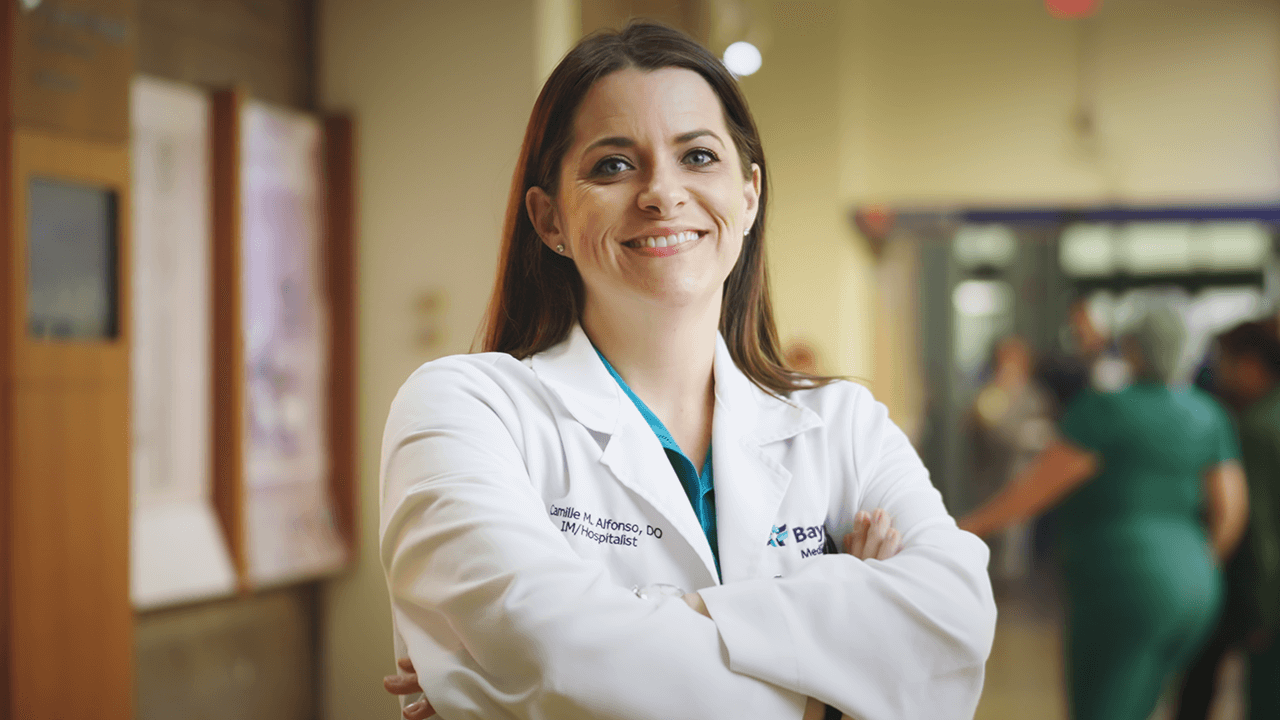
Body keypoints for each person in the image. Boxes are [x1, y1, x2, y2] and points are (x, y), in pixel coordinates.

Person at [379, 21, 995, 720]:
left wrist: (593, 648)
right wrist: (837, 674)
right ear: (548, 219)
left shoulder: (842, 423)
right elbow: (555, 658)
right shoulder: (464, 407)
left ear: (750, 195)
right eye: (613, 165)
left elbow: (954, 624)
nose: (661, 194)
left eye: (698, 156)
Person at [959, 304, 1248, 720]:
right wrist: (1196, 564)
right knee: (1144, 699)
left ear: (1131, 349)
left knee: (1105, 706)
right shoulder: (1209, 415)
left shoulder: (1106, 411)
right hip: (1195, 586)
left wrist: (970, 525)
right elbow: (1230, 510)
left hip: (1123, 584)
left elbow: (1035, 490)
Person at [1175, 320, 1280, 720]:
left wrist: (1261, 612)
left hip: (1259, 595)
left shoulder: (1255, 428)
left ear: (1253, 365)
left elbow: (1261, 529)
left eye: (1227, 362)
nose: (1220, 372)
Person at [968, 335, 1054, 580]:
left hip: (1026, 479)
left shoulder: (1034, 395)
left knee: (1018, 542)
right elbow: (991, 429)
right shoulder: (989, 395)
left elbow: (1047, 429)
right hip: (992, 479)